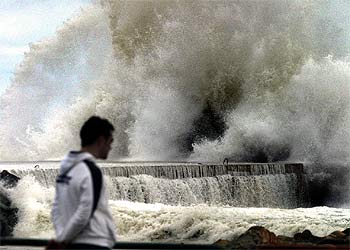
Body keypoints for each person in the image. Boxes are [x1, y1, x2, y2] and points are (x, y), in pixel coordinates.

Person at [51, 116, 117, 250]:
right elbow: (84, 212)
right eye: (110, 141)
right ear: (100, 140)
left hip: (71, 243)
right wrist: (63, 240)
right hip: (93, 243)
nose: (111, 147)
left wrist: (62, 236)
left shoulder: (65, 171)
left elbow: (56, 209)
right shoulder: (91, 171)